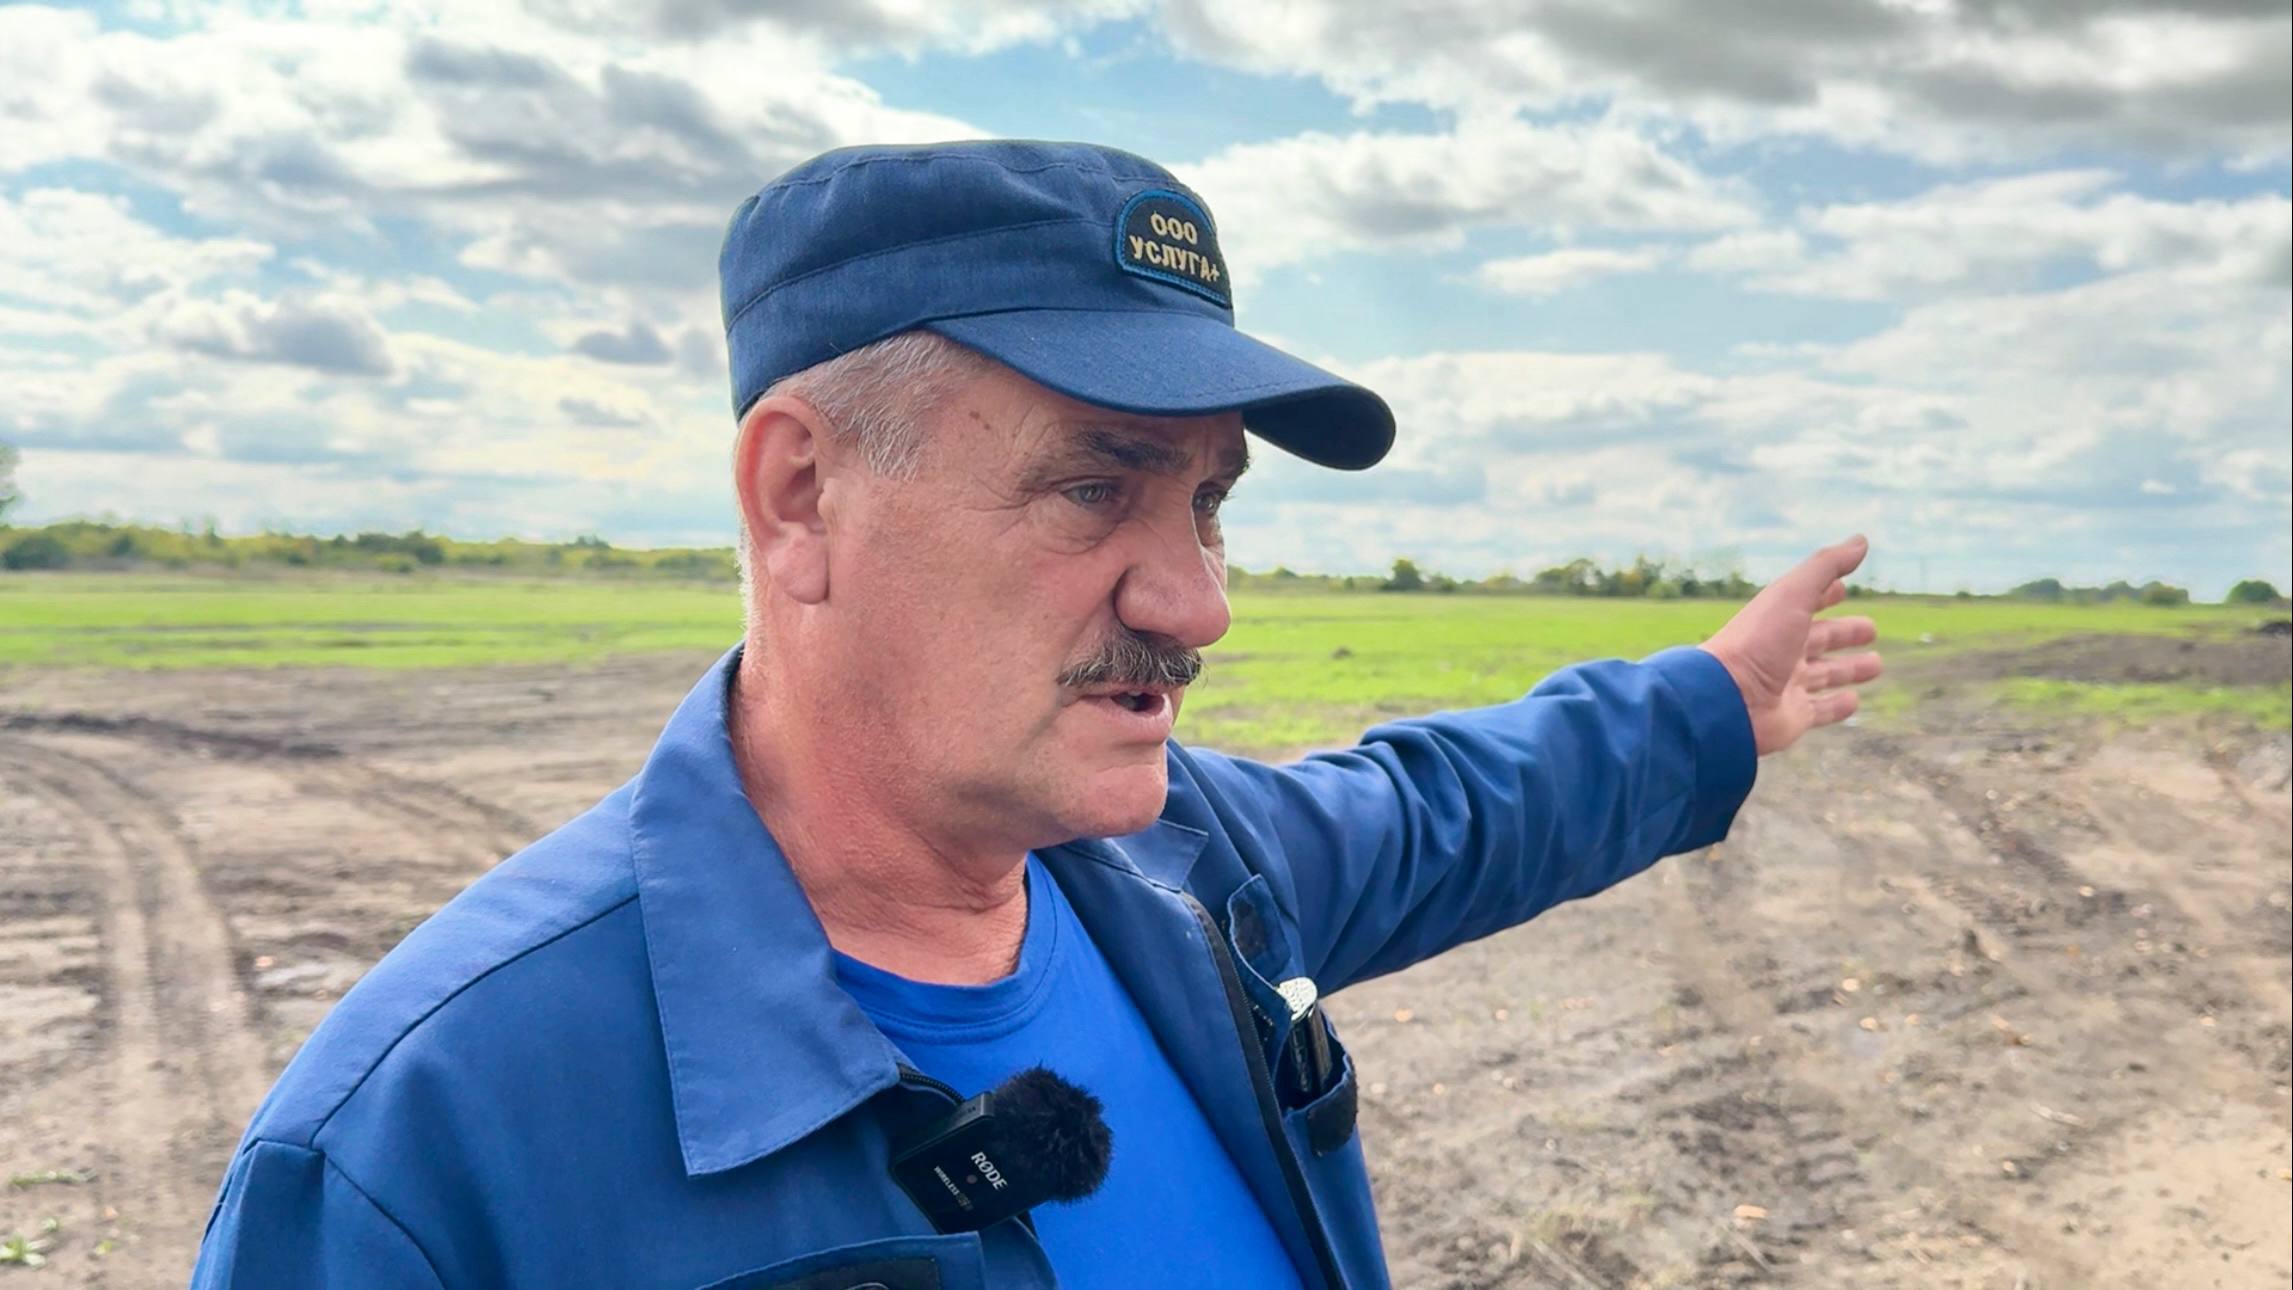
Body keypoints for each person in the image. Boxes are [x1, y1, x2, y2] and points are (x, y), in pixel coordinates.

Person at [188, 140, 1881, 1290]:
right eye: (1092, 486)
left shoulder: (1187, 869)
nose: (1197, 604)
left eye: (1207, 503)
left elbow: (1449, 808)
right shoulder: (424, 1143)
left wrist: (1708, 705)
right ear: (799, 497)